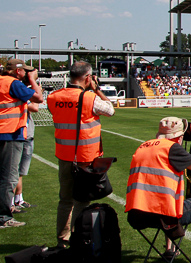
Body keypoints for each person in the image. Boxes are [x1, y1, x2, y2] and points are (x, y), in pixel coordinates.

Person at [125, 117, 191, 263]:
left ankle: (169, 249)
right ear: (179, 136)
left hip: (137, 216)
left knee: (165, 199)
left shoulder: (143, 147)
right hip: (164, 217)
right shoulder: (172, 149)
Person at [47, 61, 115, 247]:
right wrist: (97, 89)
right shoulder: (89, 98)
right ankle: (78, 241)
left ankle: (62, 240)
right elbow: (110, 110)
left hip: (64, 155)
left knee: (65, 200)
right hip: (85, 157)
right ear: (87, 78)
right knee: (82, 200)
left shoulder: (54, 96)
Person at [0, 59, 44, 229]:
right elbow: (38, 98)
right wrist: (33, 80)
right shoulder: (14, 83)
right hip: (10, 133)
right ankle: (4, 217)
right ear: (18, 71)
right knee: (9, 178)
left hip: (4, 131)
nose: (26, 73)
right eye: (25, 71)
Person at [13, 101, 39, 210]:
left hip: (25, 135)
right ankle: (10, 203)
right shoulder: (20, 94)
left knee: (20, 172)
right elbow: (34, 107)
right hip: (20, 135)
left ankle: (18, 199)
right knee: (13, 171)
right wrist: (36, 96)